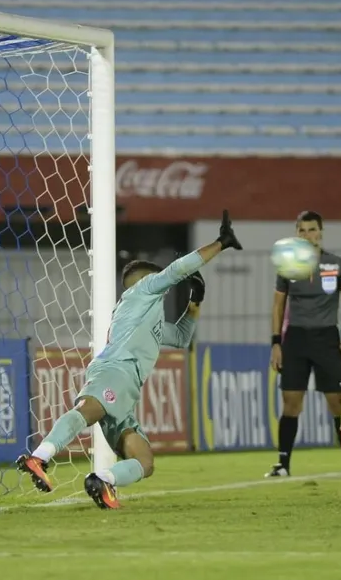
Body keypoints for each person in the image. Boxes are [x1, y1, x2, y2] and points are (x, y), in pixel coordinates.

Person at [17, 210, 244, 509]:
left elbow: (180, 338)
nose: (163, 280)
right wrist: (220, 243)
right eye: (158, 276)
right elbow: (176, 271)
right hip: (115, 372)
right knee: (88, 410)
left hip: (126, 390)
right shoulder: (142, 290)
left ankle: (103, 479)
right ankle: (40, 457)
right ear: (143, 280)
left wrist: (195, 301)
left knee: (144, 461)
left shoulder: (144, 320)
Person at [266, 210, 341, 479]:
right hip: (295, 338)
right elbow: (277, 306)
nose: (307, 235)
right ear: (296, 234)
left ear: (321, 232)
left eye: (311, 230)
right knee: (291, 402)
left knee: (336, 402)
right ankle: (283, 463)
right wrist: (276, 343)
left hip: (327, 338)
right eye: (302, 231)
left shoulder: (337, 265)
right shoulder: (288, 267)